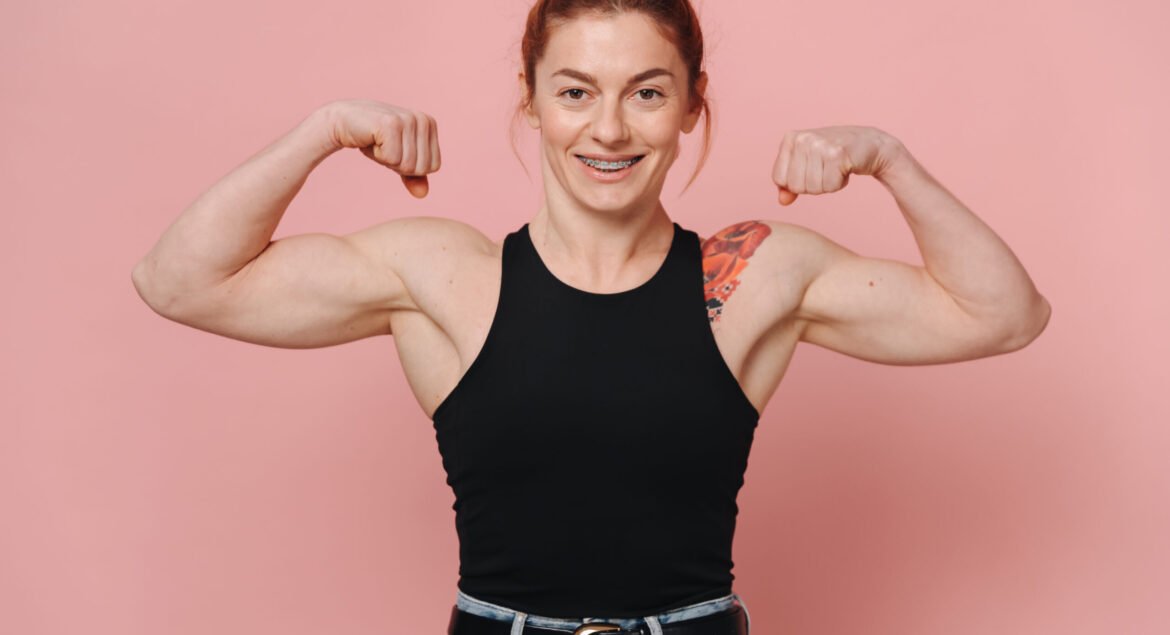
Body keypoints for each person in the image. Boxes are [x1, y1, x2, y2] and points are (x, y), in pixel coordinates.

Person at [131, 1, 1051, 633]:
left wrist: (891, 159)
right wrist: (323, 128)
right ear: (530, 102)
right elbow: (180, 281)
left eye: (647, 92)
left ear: (693, 106)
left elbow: (1004, 315)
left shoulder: (757, 273)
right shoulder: (443, 274)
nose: (608, 129)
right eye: (575, 91)